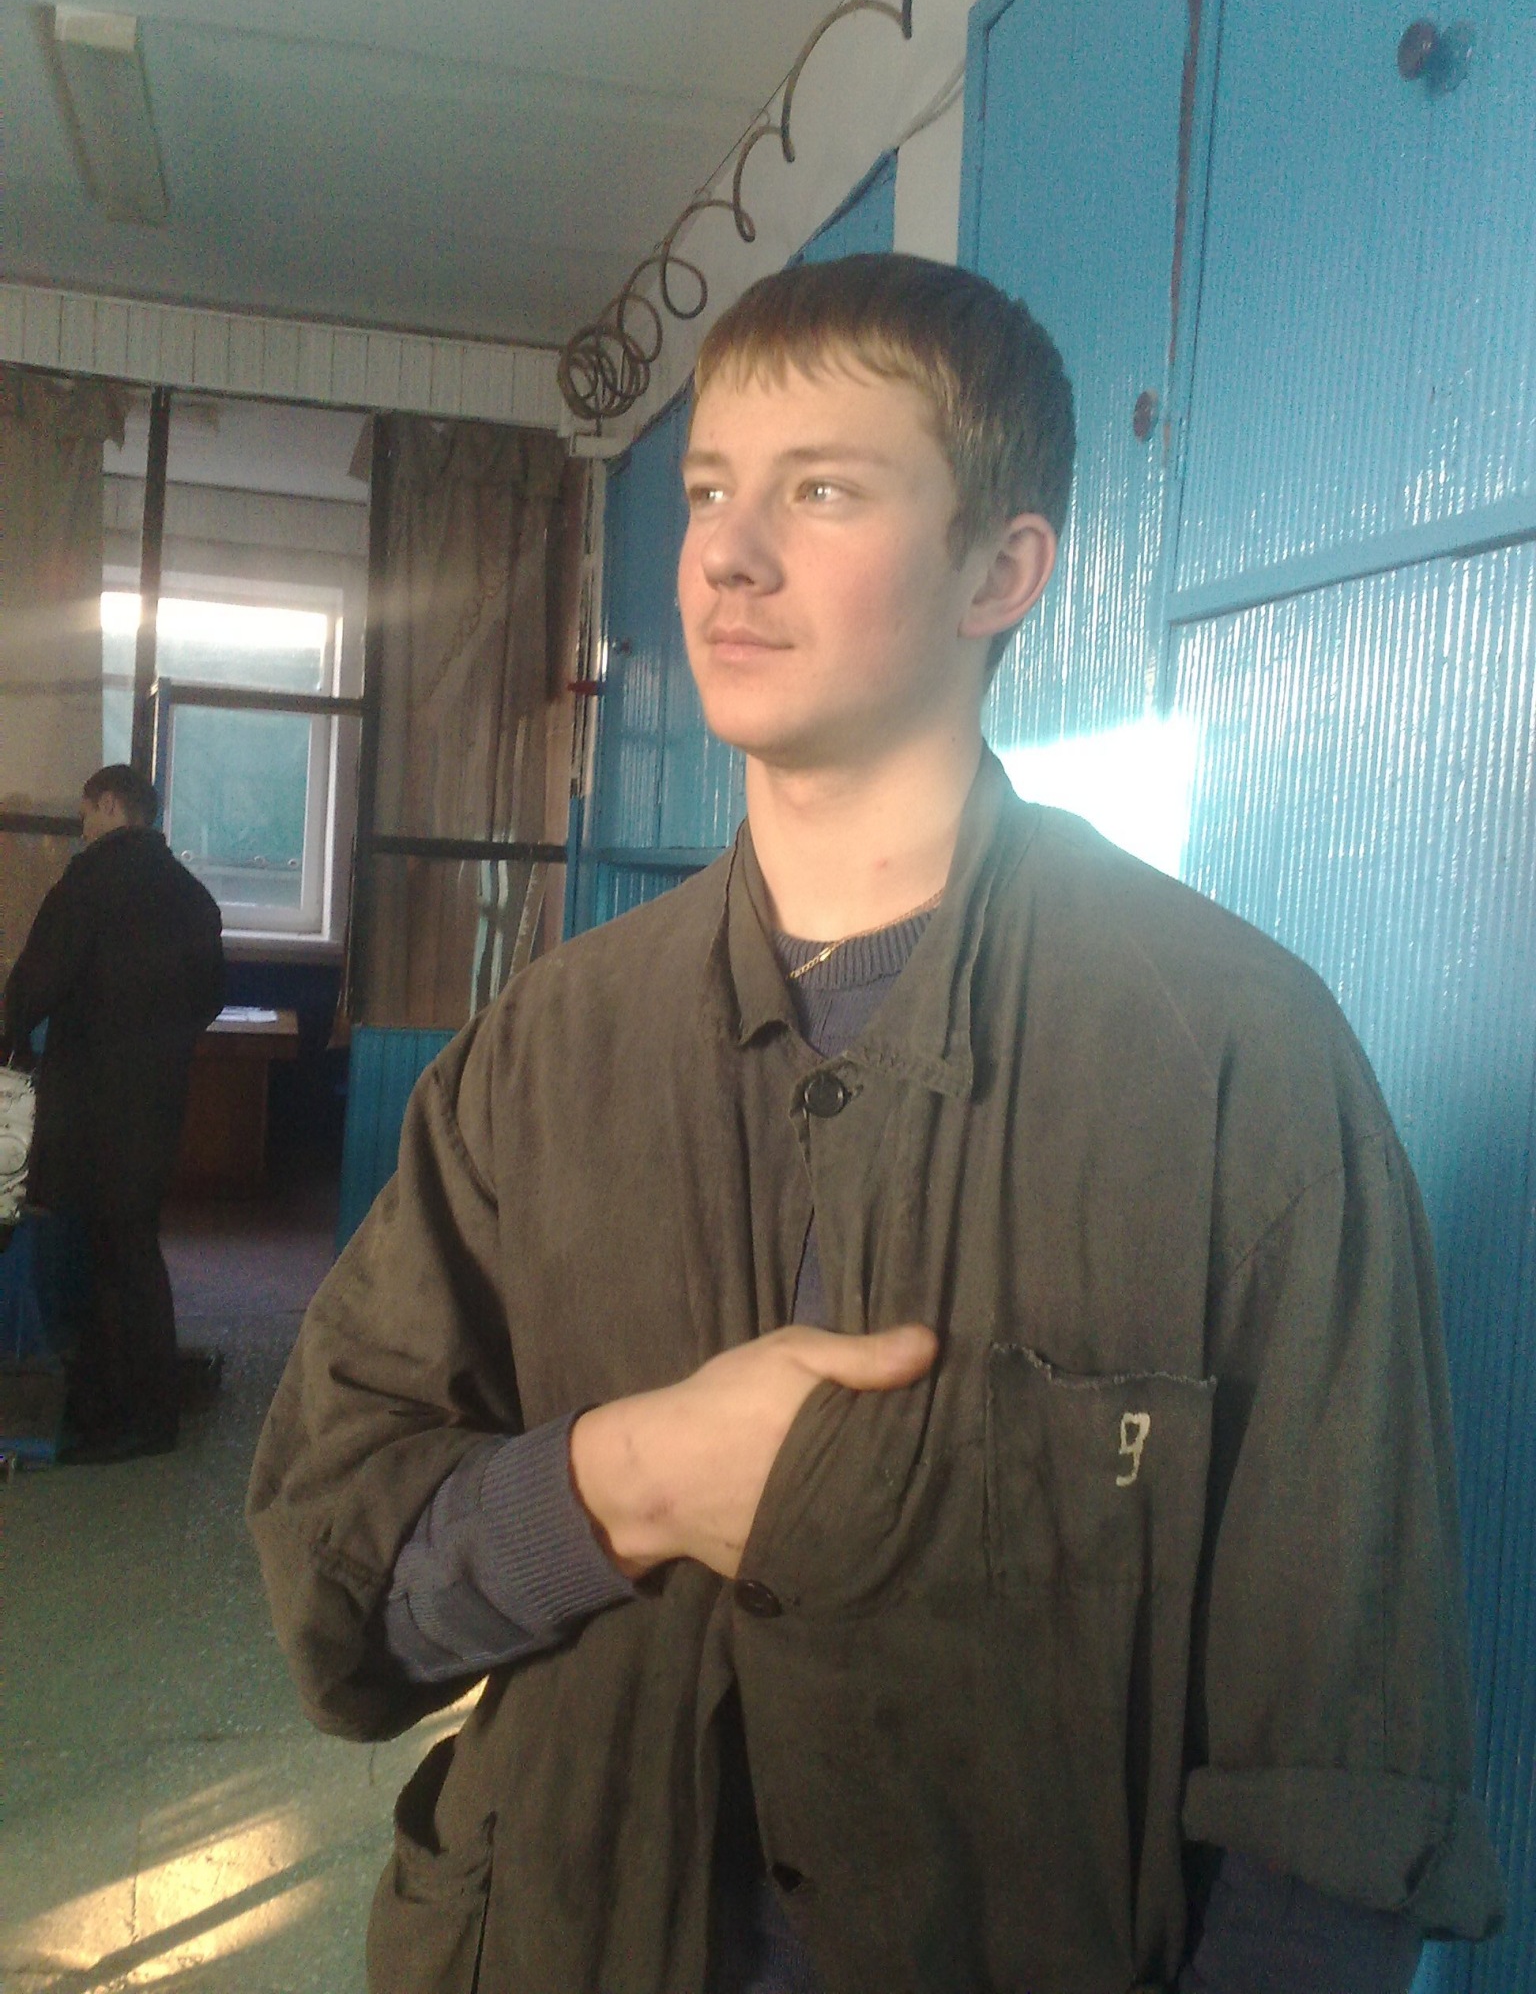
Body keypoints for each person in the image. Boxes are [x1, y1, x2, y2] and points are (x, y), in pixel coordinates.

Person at [249, 256, 1504, 1992]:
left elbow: (1336, 1801)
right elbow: (342, 1592)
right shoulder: (542, 1050)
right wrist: (626, 1482)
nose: (726, 554)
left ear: (1003, 570)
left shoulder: (1241, 1067)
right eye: (709, 490)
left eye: (822, 490)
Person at [3, 762, 225, 1460]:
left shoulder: (87, 885)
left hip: (92, 1107)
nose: (83, 829)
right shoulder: (191, 895)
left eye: (85, 814)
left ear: (106, 805)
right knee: (128, 1248)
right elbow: (212, 996)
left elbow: (33, 986)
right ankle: (120, 1406)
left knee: (116, 1259)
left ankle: (139, 1420)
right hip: (156, 1101)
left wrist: (9, 1033)